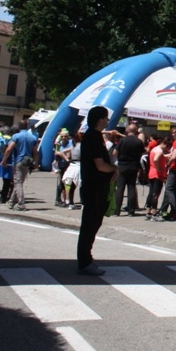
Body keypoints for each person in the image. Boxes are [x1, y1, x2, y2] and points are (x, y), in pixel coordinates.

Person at [77, 106, 117, 275]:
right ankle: (85, 261)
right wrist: (115, 169)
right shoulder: (93, 137)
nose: (108, 121)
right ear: (100, 120)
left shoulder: (94, 136)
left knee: (93, 223)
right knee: (90, 224)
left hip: (95, 186)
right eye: (106, 118)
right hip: (94, 187)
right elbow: (100, 165)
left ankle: (86, 258)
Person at [2, 120, 39, 212]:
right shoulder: (33, 137)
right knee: (19, 182)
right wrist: (35, 163)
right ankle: (11, 202)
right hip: (27, 161)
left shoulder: (16, 136)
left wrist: (4, 160)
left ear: (19, 127)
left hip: (18, 161)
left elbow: (9, 149)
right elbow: (35, 152)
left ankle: (21, 204)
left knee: (18, 183)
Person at [114, 122, 145, 216]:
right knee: (131, 188)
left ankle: (117, 210)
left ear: (128, 130)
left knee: (120, 188)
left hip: (122, 166)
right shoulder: (138, 142)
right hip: (133, 166)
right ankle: (131, 210)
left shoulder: (122, 140)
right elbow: (143, 153)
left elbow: (114, 153)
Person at [145, 136, 171, 222]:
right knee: (155, 194)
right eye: (167, 147)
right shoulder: (159, 151)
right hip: (157, 174)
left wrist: (167, 156)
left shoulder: (155, 149)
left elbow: (159, 157)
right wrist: (158, 168)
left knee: (151, 193)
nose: (166, 149)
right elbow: (156, 159)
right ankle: (154, 214)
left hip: (151, 173)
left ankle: (148, 212)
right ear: (164, 144)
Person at [60, 132, 82, 209]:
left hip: (72, 166)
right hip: (79, 166)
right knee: (81, 185)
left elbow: (62, 152)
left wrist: (67, 159)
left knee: (72, 186)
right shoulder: (82, 146)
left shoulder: (73, 146)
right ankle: (83, 204)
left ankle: (71, 203)